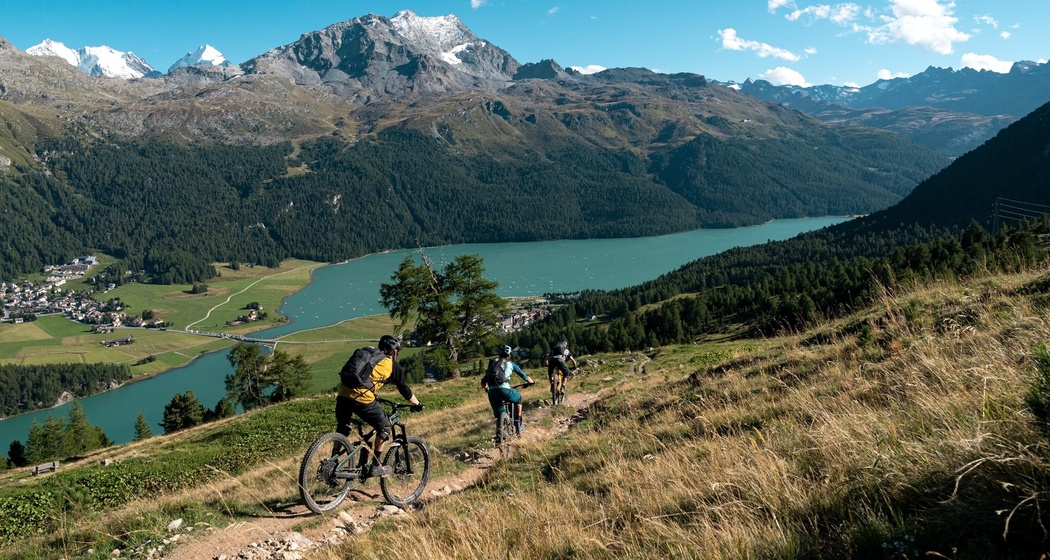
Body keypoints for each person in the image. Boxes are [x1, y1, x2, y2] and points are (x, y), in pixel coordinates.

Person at [335, 335, 423, 478]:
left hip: (342, 394)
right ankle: (376, 465)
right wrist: (417, 404)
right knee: (385, 427)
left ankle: (333, 460)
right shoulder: (392, 365)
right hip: (361, 398)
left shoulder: (369, 355)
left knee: (343, 428)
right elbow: (404, 389)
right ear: (394, 352)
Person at [482, 345, 534, 434]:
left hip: (492, 392)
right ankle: (518, 423)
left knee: (499, 413)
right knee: (518, 399)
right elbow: (524, 376)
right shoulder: (511, 364)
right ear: (509, 355)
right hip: (505, 390)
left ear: (499, 355)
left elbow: (483, 381)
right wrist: (531, 382)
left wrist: (487, 388)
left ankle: (499, 435)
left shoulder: (493, 365)